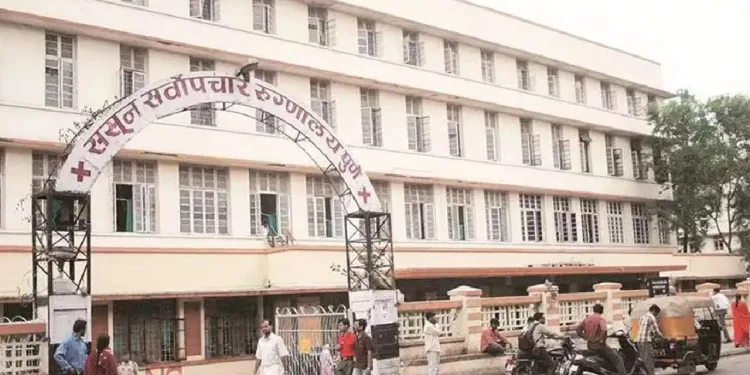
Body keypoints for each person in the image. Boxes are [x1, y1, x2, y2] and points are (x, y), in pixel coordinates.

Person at [576, 304, 626, 375]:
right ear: (601, 311)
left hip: (590, 346)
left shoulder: (587, 319)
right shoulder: (600, 319)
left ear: (594, 310)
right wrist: (601, 339)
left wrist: (586, 337)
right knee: (618, 359)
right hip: (599, 346)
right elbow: (604, 330)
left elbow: (578, 330)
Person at [636, 304, 663, 375]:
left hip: (639, 340)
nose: (656, 315)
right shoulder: (651, 317)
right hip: (646, 341)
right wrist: (662, 337)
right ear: (654, 311)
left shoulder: (642, 316)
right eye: (656, 313)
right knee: (649, 360)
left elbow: (641, 327)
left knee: (642, 360)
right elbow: (655, 331)